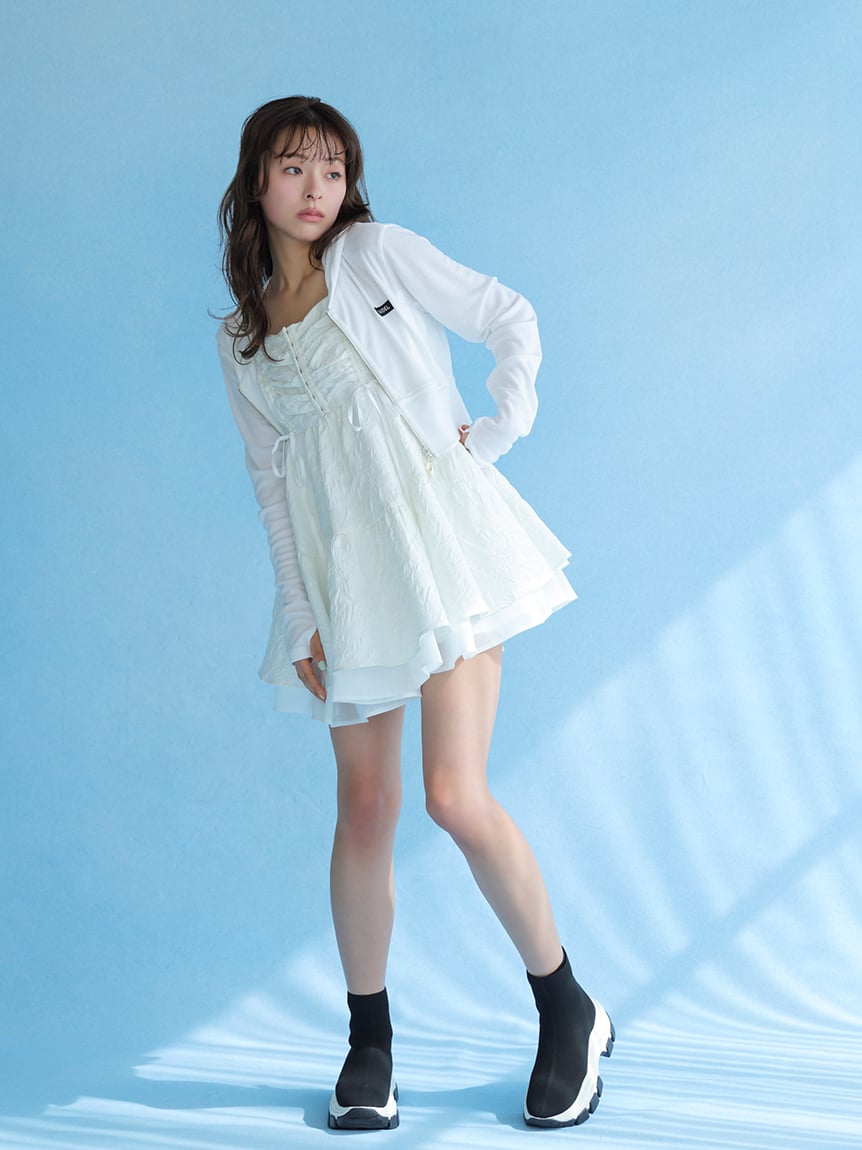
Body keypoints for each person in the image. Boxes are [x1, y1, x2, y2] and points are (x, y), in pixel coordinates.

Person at [217, 95, 613, 1132]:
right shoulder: (243, 340)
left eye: (333, 169)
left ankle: (566, 1006)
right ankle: (370, 1043)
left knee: (452, 796)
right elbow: (272, 486)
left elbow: (506, 314)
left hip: (445, 550)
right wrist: (300, 613)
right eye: (294, 168)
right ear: (256, 181)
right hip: (347, 583)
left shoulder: (376, 254)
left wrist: (498, 429)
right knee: (363, 809)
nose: (317, 188)